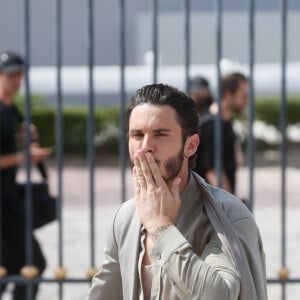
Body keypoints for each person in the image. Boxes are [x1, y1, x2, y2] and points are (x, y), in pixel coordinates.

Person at [87, 83, 267, 300]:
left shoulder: (228, 215)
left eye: (160, 134)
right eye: (137, 135)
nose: (145, 147)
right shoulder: (125, 217)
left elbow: (220, 295)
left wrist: (160, 228)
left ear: (190, 145)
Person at [0, 51, 52, 299]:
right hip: (3, 207)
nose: (16, 80)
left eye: (19, 75)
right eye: (11, 75)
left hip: (8, 201)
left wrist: (21, 139)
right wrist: (25, 157)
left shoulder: (10, 110)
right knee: (33, 263)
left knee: (11, 266)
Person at [194, 72, 248, 195]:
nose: (246, 100)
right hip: (210, 206)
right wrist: (230, 208)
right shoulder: (210, 125)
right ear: (228, 94)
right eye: (243, 95)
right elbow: (214, 173)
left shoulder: (226, 121)